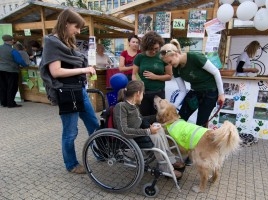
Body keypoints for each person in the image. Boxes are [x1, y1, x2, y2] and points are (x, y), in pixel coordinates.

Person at [39, 9, 100, 174]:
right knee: (71, 131)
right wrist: (84, 70)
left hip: (79, 89)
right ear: (66, 23)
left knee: (93, 124)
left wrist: (84, 70)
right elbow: (56, 72)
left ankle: (100, 152)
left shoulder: (68, 41)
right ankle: (71, 164)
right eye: (76, 27)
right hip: (66, 92)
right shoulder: (52, 42)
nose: (78, 31)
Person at [160, 39, 225, 165]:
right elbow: (183, 90)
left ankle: (196, 153)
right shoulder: (177, 68)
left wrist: (221, 94)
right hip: (195, 92)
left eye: (170, 62)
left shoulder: (195, 57)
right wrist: (172, 107)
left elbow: (216, 72)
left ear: (175, 54)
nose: (170, 65)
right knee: (180, 118)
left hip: (210, 92)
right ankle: (181, 148)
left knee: (200, 124)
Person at [113, 80, 184, 178]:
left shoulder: (134, 106)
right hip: (131, 137)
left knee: (159, 129)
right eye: (143, 93)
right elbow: (124, 131)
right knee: (155, 135)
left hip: (139, 132)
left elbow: (140, 119)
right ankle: (165, 167)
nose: (143, 95)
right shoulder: (121, 106)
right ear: (138, 94)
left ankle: (171, 160)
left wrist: (157, 119)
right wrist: (148, 131)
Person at [132, 31, 172, 116]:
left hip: (159, 93)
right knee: (144, 117)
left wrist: (155, 77)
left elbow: (169, 76)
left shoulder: (163, 56)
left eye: (156, 48)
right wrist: (138, 86)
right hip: (143, 94)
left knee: (159, 117)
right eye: (151, 49)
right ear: (145, 47)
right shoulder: (140, 57)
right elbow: (134, 74)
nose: (154, 51)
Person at [0, 35, 28, 108]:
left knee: (3, 86)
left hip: (1, 70)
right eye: (12, 40)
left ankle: (4, 102)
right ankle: (11, 103)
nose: (13, 41)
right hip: (11, 70)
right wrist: (25, 65)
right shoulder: (12, 50)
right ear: (10, 41)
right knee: (12, 87)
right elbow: (19, 60)